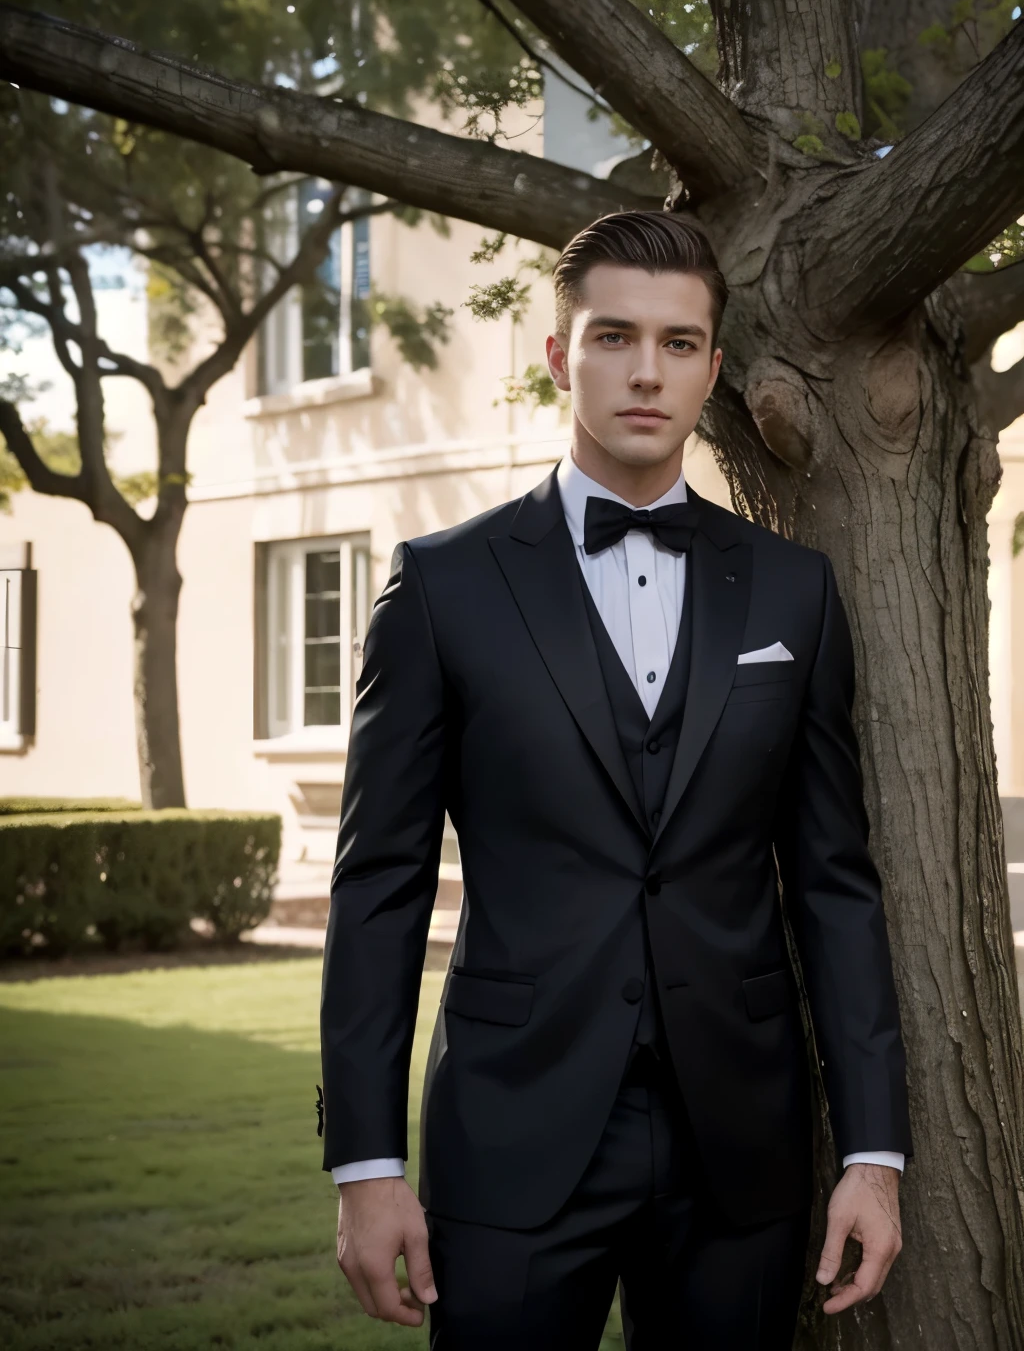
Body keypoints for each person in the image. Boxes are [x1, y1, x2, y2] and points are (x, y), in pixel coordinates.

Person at [318, 211, 912, 1349]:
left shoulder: (795, 595)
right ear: (558, 356)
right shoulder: (443, 590)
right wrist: (366, 1162)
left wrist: (873, 1157)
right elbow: (378, 887)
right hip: (511, 1131)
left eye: (680, 344)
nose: (647, 371)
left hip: (740, 1147)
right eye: (613, 337)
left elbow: (836, 882)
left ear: (713, 368)